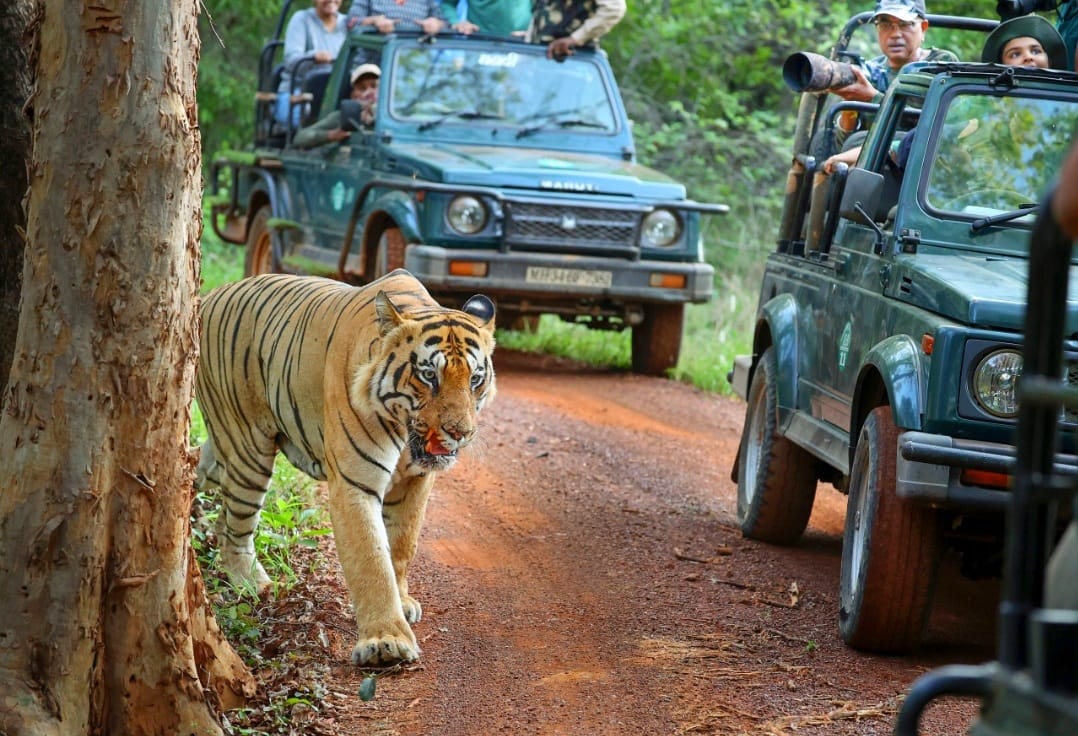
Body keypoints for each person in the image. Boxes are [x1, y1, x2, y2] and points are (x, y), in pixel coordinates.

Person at [822, 13, 1068, 173]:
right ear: (1002, 65)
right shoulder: (980, 102)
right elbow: (927, 136)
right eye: (1015, 54)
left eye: (1036, 50)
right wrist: (866, 152)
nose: (1028, 57)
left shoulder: (1067, 107)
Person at [277, 0, 348, 125]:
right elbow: (291, 60)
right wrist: (314, 56)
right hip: (300, 90)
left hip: (337, 93)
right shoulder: (301, 19)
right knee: (297, 122)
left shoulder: (347, 23)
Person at [293, 64, 381, 149]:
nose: (369, 92)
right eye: (362, 88)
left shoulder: (391, 118)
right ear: (353, 96)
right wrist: (330, 135)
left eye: (374, 86)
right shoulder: (343, 117)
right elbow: (300, 138)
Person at [526, 0, 626, 60]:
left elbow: (614, 9)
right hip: (539, 55)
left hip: (573, 59)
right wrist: (531, 34)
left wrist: (575, 38)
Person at [347, 0, 446, 35]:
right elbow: (350, 22)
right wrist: (374, 21)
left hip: (414, 67)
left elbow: (445, 23)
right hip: (372, 69)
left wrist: (437, 23)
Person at [441, 0, 530, 36]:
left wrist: (533, 33)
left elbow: (540, 7)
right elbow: (447, 4)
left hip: (521, 44)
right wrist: (456, 22)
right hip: (481, 42)